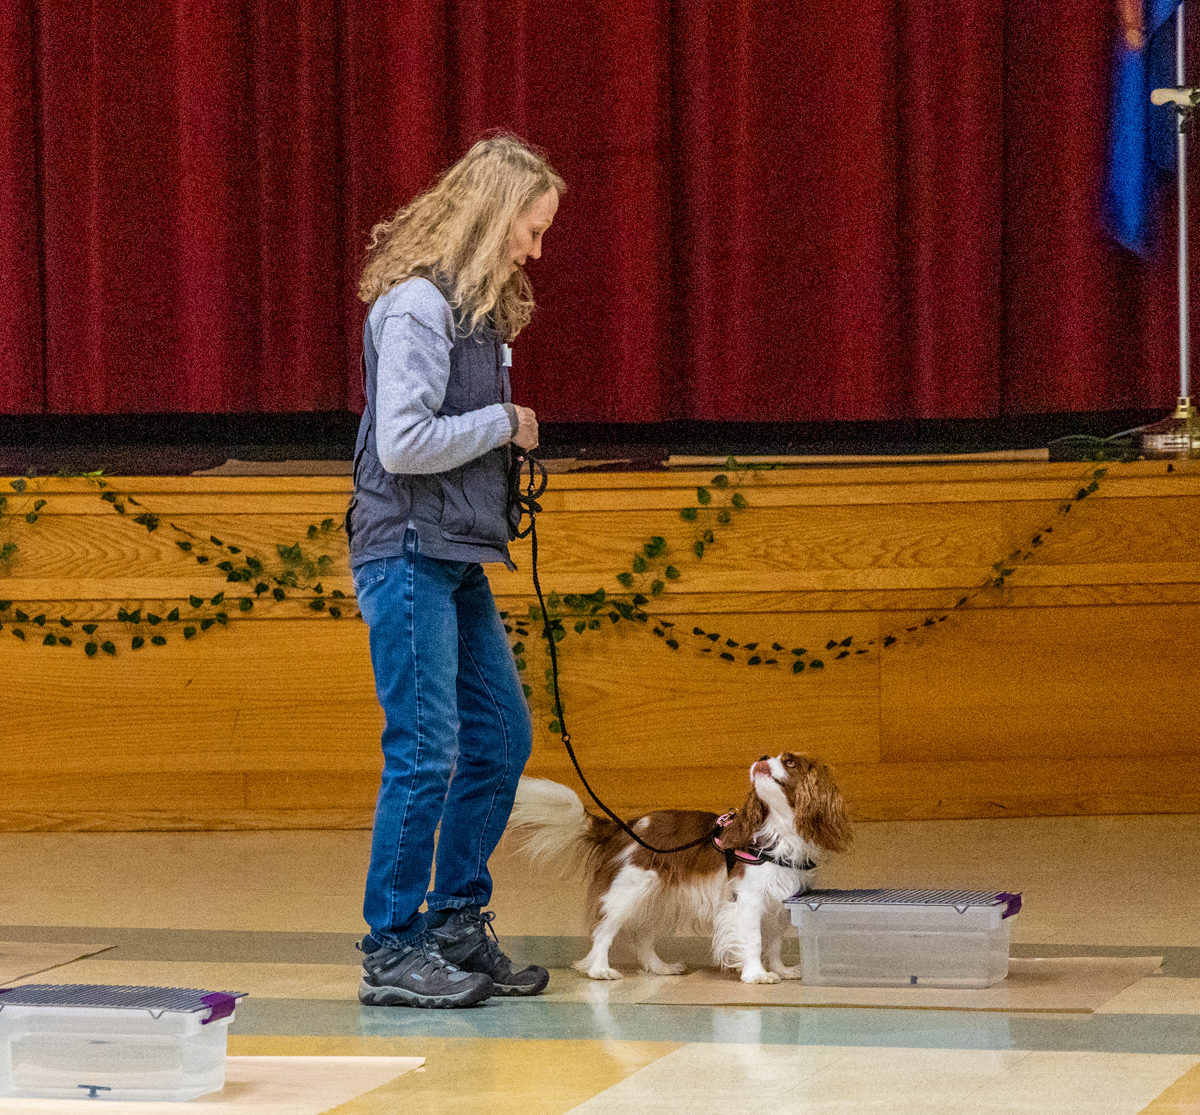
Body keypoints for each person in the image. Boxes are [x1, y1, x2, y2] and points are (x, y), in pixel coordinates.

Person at [346, 134, 563, 1008]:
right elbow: (402, 443)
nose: (535, 250)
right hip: (405, 548)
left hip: (454, 550)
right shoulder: (416, 306)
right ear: (491, 214)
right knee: (424, 748)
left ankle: (455, 921)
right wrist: (503, 423)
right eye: (531, 229)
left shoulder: (478, 315)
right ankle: (393, 945)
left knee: (502, 737)